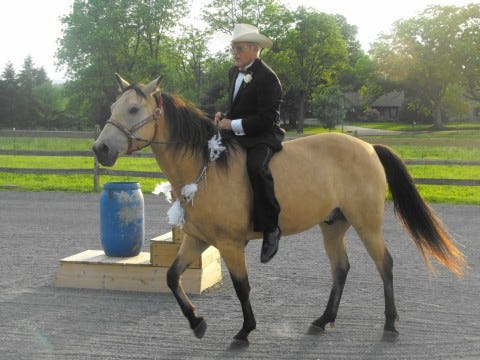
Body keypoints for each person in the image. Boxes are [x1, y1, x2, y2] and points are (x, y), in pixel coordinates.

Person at [215, 24, 285, 263]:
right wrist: (223, 116)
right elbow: (239, 106)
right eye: (233, 48)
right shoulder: (233, 72)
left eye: (239, 48)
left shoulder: (268, 78)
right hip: (238, 132)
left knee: (256, 167)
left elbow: (267, 119)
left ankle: (271, 228)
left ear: (255, 49)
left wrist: (231, 125)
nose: (234, 53)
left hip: (263, 135)